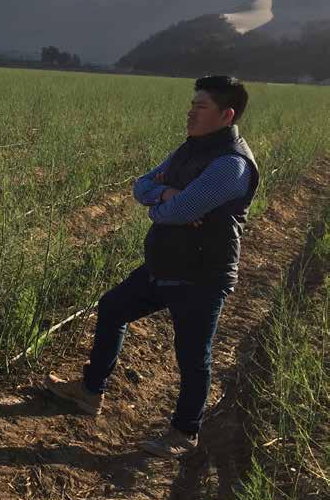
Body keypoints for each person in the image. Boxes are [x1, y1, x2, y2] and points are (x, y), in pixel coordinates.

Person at [46, 75, 259, 457]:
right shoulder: (189, 150)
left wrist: (164, 206)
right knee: (113, 307)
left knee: (192, 356)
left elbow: (178, 212)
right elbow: (141, 186)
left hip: (201, 276)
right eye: (192, 104)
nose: (191, 112)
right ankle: (91, 392)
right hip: (164, 265)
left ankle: (185, 432)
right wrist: (166, 193)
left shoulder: (232, 165)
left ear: (226, 115)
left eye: (201, 107)